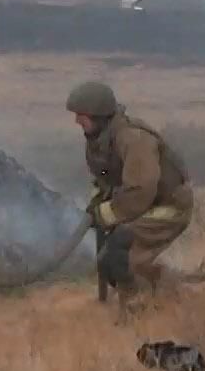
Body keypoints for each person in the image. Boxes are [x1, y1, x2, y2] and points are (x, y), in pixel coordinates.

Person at [67, 81, 194, 307]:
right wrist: (96, 206)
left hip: (168, 207)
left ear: (98, 115)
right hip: (144, 206)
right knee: (108, 261)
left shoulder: (133, 139)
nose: (77, 120)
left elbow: (140, 190)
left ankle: (142, 305)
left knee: (119, 253)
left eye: (81, 115)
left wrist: (106, 214)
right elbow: (104, 181)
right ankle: (162, 289)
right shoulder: (100, 141)